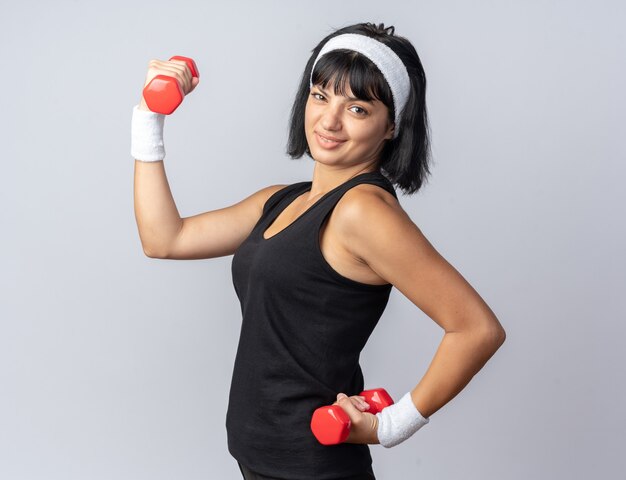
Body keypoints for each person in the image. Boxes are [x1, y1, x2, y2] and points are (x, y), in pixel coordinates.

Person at [131, 21, 506, 480]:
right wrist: (149, 118)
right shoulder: (282, 200)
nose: (330, 121)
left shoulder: (363, 211)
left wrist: (392, 425)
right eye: (321, 95)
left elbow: (476, 329)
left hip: (311, 466)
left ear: (391, 128)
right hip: (260, 454)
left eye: (358, 108)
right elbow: (164, 239)